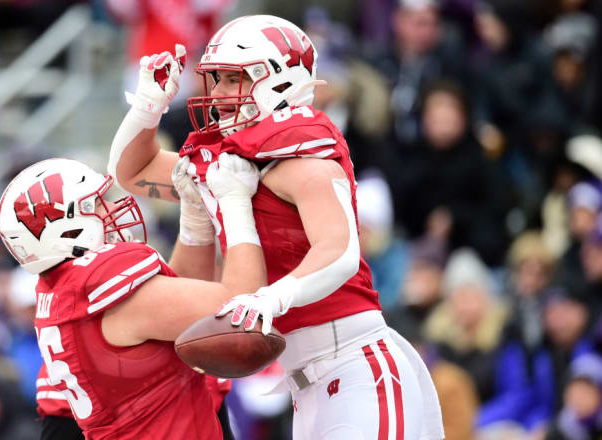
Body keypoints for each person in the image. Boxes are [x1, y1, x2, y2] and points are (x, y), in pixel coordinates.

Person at [108, 14, 444, 439]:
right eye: (218, 80)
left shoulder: (303, 157)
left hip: (356, 363)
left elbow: (339, 251)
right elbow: (130, 172)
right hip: (305, 385)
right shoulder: (228, 161)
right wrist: (147, 107)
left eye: (236, 79)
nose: (221, 94)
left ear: (281, 80)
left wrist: (272, 297)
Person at [0, 156, 266, 439]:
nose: (112, 208)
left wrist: (195, 219)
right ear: (66, 230)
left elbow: (179, 301)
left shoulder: (66, 290)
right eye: (97, 204)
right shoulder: (102, 290)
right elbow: (244, 302)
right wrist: (236, 202)